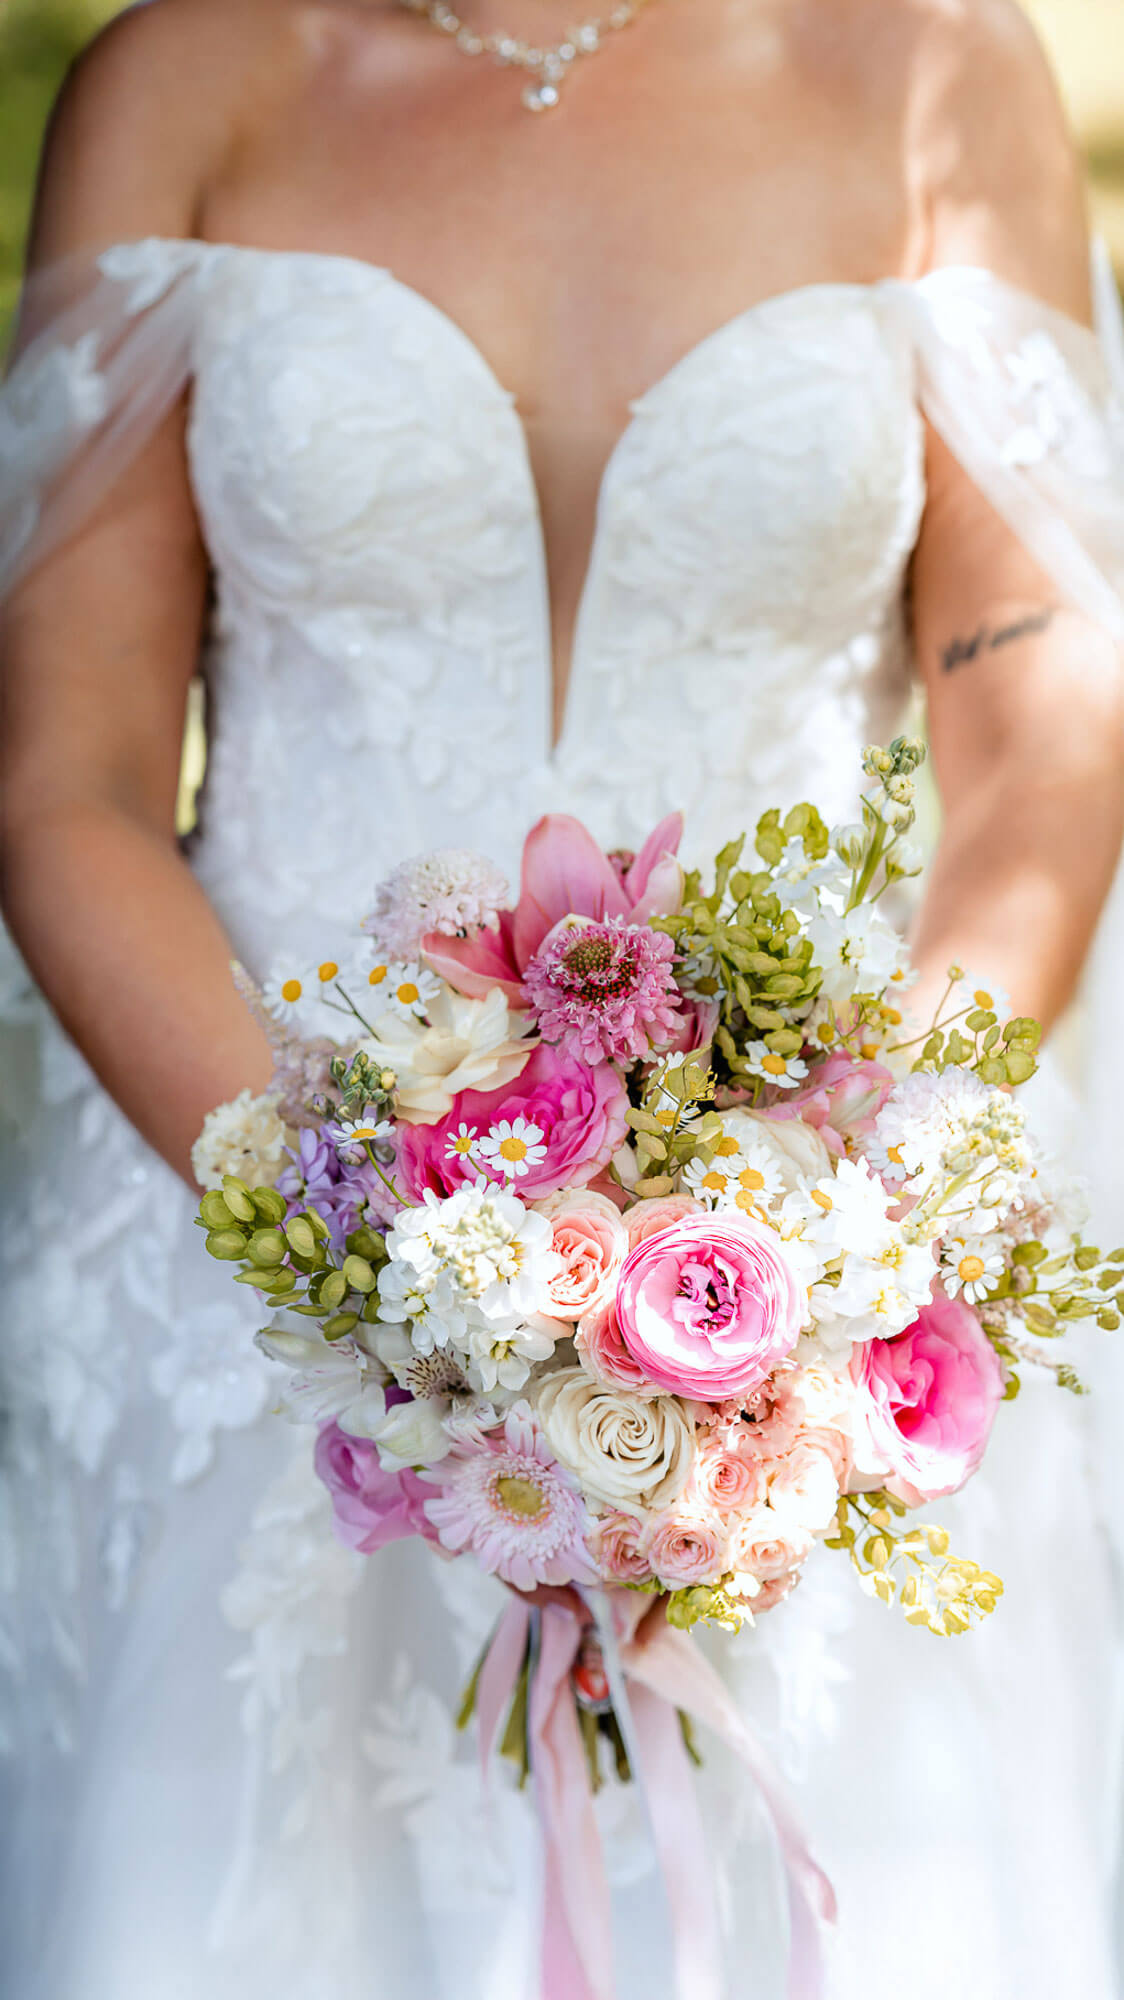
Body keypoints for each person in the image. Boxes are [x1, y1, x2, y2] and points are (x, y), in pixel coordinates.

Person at [1, 1, 1123, 1995]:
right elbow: (64, 778)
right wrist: (368, 1259)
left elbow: (1039, 748)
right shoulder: (185, 84)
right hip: (240, 1233)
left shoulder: (936, 79)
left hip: (814, 1290)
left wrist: (843, 1235)